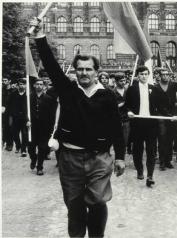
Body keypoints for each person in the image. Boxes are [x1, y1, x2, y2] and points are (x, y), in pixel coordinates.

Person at [31, 18, 125, 238]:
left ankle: (96, 236)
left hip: (99, 158)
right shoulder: (68, 91)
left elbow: (116, 128)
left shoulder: (107, 96)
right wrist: (40, 38)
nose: (84, 73)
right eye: (80, 69)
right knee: (74, 205)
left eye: (89, 69)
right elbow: (52, 67)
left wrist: (120, 156)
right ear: (75, 71)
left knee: (99, 200)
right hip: (70, 158)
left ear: (96, 71)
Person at [126, 66, 157, 187]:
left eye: (146, 74)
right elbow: (126, 106)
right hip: (137, 124)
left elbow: (161, 106)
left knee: (151, 150)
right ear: (138, 76)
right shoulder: (132, 89)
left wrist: (171, 116)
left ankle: (150, 175)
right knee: (137, 149)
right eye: (141, 74)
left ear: (148, 75)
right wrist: (129, 111)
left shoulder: (153, 89)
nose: (144, 76)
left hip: (151, 124)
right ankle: (139, 170)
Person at [152, 68, 177, 170]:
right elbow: (156, 104)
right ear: (159, 76)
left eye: (167, 74)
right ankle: (162, 162)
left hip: (172, 116)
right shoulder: (156, 88)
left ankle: (168, 161)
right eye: (163, 75)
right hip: (161, 117)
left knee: (170, 139)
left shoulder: (173, 85)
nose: (165, 76)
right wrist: (167, 115)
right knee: (162, 139)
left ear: (169, 75)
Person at [27, 78, 56, 175]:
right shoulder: (29, 98)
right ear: (34, 85)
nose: (39, 86)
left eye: (41, 84)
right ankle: (33, 158)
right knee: (31, 147)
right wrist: (27, 121)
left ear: (43, 86)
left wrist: (52, 128)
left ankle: (40, 167)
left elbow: (52, 115)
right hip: (31, 127)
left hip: (44, 127)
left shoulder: (49, 99)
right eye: (37, 84)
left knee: (42, 148)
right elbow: (25, 112)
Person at [8, 78, 28, 157]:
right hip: (15, 117)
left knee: (24, 134)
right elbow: (9, 105)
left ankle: (23, 150)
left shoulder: (28, 95)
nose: (21, 85)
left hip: (25, 117)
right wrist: (10, 116)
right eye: (20, 84)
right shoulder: (13, 94)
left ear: (25, 85)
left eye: (23, 84)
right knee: (15, 133)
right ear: (17, 85)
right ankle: (18, 146)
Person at [2, 77, 13, 151]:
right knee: (3, 128)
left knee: (9, 128)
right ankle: (3, 142)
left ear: (9, 81)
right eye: (3, 80)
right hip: (2, 112)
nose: (3, 82)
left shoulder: (13, 91)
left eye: (5, 80)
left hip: (10, 113)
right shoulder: (1, 90)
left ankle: (9, 144)